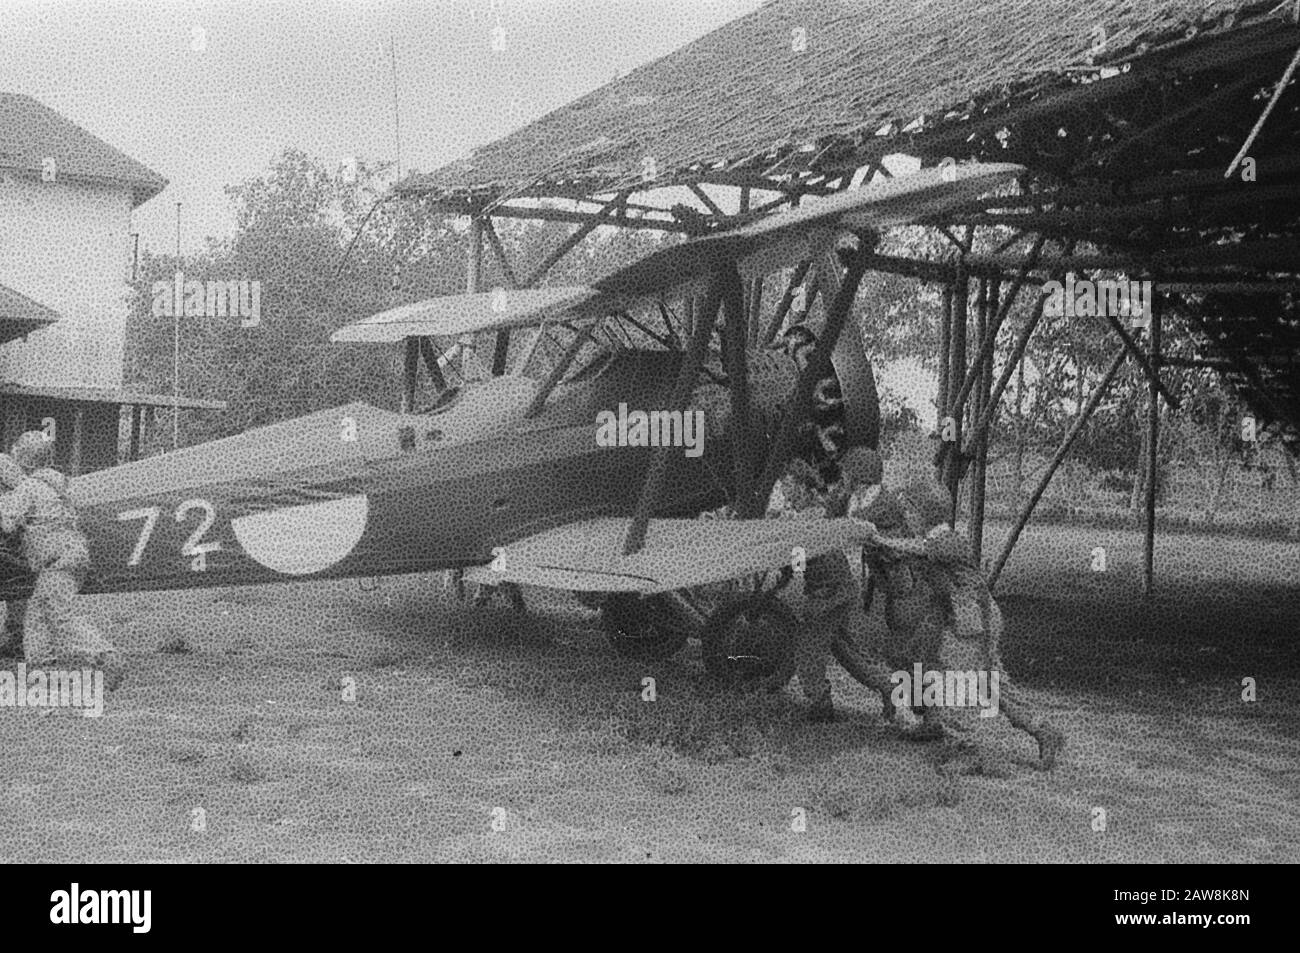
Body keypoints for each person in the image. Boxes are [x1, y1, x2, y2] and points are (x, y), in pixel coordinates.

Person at [861, 480, 1065, 768]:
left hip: (971, 619)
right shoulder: (935, 539)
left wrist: (880, 540)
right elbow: (907, 556)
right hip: (973, 617)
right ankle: (1043, 730)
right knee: (992, 683)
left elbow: (916, 549)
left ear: (920, 512)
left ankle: (967, 750)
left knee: (951, 680)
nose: (905, 516)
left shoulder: (944, 540)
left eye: (908, 510)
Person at [769, 451, 916, 725]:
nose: (784, 490)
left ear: (801, 485)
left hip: (830, 591)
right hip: (838, 588)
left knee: (808, 647)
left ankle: (820, 706)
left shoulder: (815, 510)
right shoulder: (805, 511)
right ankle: (894, 692)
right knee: (849, 653)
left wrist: (786, 560)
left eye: (787, 484)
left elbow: (803, 553)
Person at [0, 432, 124, 689]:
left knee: (60, 616)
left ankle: (104, 655)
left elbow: (8, 523)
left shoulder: (29, 487)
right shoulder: (58, 482)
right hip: (72, 556)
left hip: (57, 562)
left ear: (21, 457)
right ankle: (41, 666)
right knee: (36, 613)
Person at [0, 453, 27, 658]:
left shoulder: (3, 463)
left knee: (16, 586)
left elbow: (22, 493)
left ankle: (17, 637)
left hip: (8, 536)